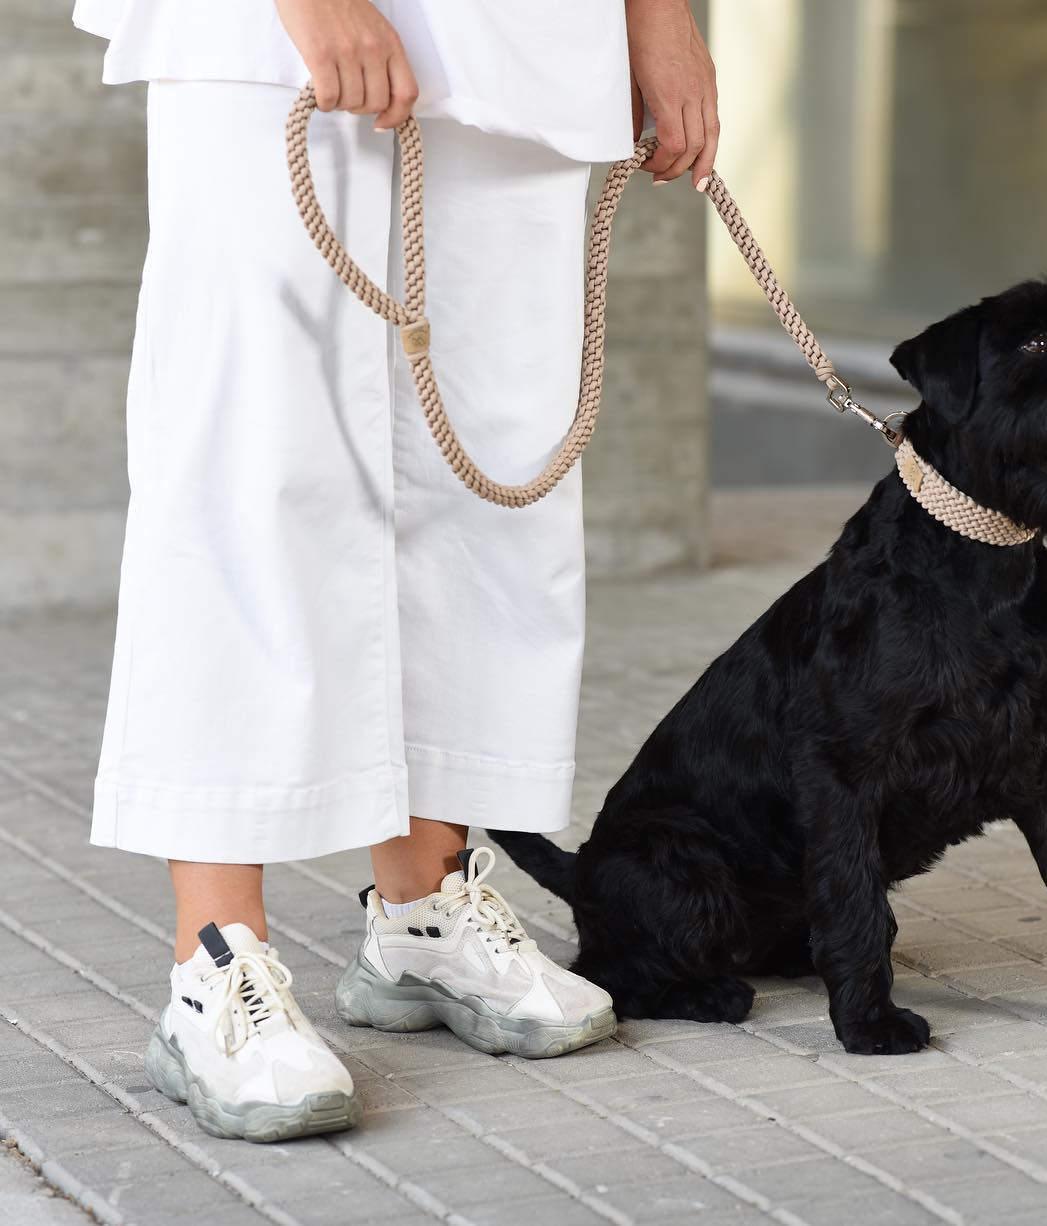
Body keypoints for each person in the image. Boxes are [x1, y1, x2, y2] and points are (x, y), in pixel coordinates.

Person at [73, 0, 719, 1143]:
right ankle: (213, 957)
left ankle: (425, 907)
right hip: (269, 35)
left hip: (529, 36)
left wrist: (660, 22)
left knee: (491, 460)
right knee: (253, 454)